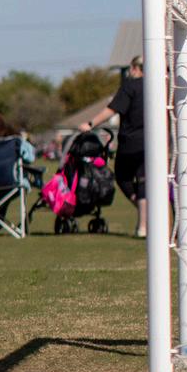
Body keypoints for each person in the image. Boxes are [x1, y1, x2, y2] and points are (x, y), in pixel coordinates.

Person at [80, 55, 146, 237]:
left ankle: (144, 224)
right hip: (157, 143)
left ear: (135, 68)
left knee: (124, 177)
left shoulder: (130, 86)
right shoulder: (160, 86)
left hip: (132, 142)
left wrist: (90, 124)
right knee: (144, 180)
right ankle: (148, 219)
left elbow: (112, 109)